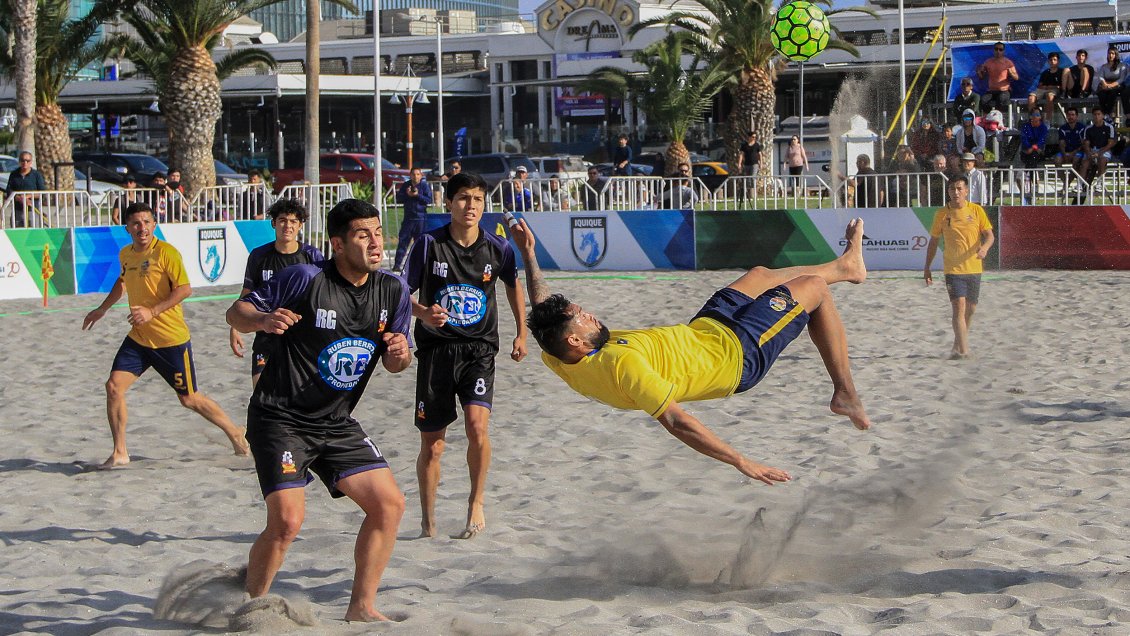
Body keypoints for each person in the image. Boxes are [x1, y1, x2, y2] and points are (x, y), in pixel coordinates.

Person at [509, 217, 871, 485]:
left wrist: (529, 254)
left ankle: (846, 266)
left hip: (707, 327)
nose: (589, 314)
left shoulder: (555, 353)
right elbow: (678, 422)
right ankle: (846, 394)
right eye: (582, 317)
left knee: (760, 274)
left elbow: (542, 311)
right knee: (814, 288)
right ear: (575, 340)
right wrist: (741, 461)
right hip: (736, 356)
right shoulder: (622, 366)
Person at [225, 198, 413, 623]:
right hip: (280, 417)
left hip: (336, 421)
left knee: (389, 505)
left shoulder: (392, 290)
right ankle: (249, 609)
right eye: (363, 235)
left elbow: (396, 363)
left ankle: (361, 607)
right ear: (338, 244)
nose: (375, 243)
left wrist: (402, 352)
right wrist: (263, 320)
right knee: (288, 522)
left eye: (378, 233)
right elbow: (235, 312)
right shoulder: (305, 278)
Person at [403, 172, 528, 539]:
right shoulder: (428, 245)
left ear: (484, 204)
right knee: (433, 443)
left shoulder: (498, 248)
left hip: (479, 350)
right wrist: (422, 312)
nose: (470, 205)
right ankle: (428, 522)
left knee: (477, 427)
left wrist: (521, 332)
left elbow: (513, 286)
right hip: (436, 351)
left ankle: (476, 501)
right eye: (462, 198)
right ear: (448, 203)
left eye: (476, 199)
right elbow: (400, 294)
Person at [81, 202, 249, 468]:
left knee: (190, 398)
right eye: (136, 223)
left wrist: (152, 311)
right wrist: (102, 309)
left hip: (171, 339)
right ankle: (120, 452)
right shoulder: (126, 254)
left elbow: (184, 290)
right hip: (139, 339)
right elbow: (122, 281)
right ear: (127, 228)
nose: (142, 228)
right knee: (113, 387)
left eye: (147, 222)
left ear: (154, 225)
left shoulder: (166, 253)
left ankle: (234, 431)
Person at [229, 198, 325, 388]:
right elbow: (247, 292)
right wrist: (235, 326)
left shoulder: (312, 256)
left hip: (301, 336)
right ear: (273, 223)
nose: (287, 226)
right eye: (282, 220)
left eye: (293, 221)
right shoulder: (259, 255)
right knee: (259, 392)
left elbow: (324, 296)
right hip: (267, 333)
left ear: (300, 225)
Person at [923, 176, 995, 360]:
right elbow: (933, 241)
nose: (955, 192)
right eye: (951, 189)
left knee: (971, 309)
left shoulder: (976, 210)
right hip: (953, 269)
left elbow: (990, 236)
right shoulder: (942, 213)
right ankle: (964, 351)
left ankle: (957, 344)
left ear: (966, 191)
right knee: (959, 307)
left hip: (974, 267)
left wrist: (984, 248)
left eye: (958, 188)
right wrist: (927, 267)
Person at [394, 167, 433, 271]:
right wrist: (408, 195)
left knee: (420, 243)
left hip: (421, 218)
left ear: (421, 176)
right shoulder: (406, 185)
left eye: (418, 174)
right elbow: (399, 198)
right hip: (409, 218)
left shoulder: (424, 186)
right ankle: (397, 265)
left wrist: (417, 195)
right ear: (410, 175)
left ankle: (420, 265)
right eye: (413, 174)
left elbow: (429, 200)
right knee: (403, 241)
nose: (415, 176)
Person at [4, 151, 47, 228]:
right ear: (19, 161)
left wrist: (27, 197)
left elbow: (42, 192)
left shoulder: (36, 175)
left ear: (31, 162)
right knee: (17, 234)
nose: (25, 163)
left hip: (33, 211)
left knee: (34, 234)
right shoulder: (14, 174)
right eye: (23, 160)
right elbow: (9, 191)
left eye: (28, 160)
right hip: (17, 211)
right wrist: (19, 198)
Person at [1081, 107, 1116, 190]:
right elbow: (1086, 144)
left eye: (1099, 114)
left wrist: (1099, 153)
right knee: (1084, 162)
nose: (1097, 116)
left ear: (1103, 115)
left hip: (1105, 150)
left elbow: (1110, 143)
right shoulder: (1088, 128)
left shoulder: (1109, 127)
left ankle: (1099, 183)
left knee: (1102, 160)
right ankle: (1080, 184)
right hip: (1092, 150)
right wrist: (1089, 153)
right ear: (1092, 116)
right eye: (1095, 114)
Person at [977, 42, 1018, 114]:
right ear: (994, 50)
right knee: (983, 100)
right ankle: (988, 119)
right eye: (996, 49)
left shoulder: (1008, 63)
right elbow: (981, 77)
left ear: (1003, 51)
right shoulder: (988, 62)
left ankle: (998, 119)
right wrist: (979, 72)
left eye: (1000, 49)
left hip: (1004, 91)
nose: (998, 51)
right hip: (991, 91)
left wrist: (1011, 73)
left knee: (1001, 100)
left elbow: (1016, 78)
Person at [1027, 51, 1066, 120]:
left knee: (1049, 96)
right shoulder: (1045, 72)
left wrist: (1050, 87)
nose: (1052, 62)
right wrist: (1049, 87)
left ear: (1058, 61)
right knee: (1031, 97)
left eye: (1054, 60)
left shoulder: (1062, 71)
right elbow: (1039, 86)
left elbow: (1060, 86)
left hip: (1054, 91)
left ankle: (1048, 121)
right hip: (1042, 90)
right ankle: (1034, 119)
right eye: (1051, 60)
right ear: (1048, 61)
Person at [1095, 46, 1126, 125]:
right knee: (1101, 94)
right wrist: (1105, 84)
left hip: (1117, 85)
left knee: (1113, 93)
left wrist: (1111, 85)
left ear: (1116, 55)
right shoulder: (1104, 66)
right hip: (1105, 85)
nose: (1110, 55)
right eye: (1109, 53)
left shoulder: (1122, 65)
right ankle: (1105, 115)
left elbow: (1121, 79)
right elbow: (1101, 77)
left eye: (1112, 53)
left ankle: (1107, 114)